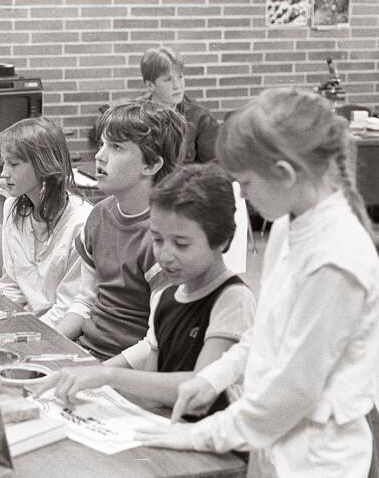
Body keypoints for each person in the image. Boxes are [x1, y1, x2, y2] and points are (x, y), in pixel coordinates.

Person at [138, 88, 379, 478]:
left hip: (319, 458)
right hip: (274, 442)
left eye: (247, 184)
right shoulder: (290, 225)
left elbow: (295, 391)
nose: (242, 195)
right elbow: (267, 330)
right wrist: (213, 378)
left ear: (284, 175)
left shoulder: (336, 259)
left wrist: (200, 435)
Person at [32, 164, 255, 418]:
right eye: (157, 240)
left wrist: (107, 375)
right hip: (165, 425)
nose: (165, 255)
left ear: (222, 240)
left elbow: (199, 390)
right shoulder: (165, 298)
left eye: (181, 244)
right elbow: (151, 388)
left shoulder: (233, 299)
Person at [41, 98, 184, 362]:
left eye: (116, 147)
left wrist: (100, 372)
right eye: (102, 143)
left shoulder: (166, 236)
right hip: (88, 353)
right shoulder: (98, 215)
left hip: (130, 368)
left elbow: (158, 341)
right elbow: (85, 301)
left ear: (151, 165)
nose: (99, 155)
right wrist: (49, 347)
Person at [0, 116, 92, 317]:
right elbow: (10, 285)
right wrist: (5, 322)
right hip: (25, 322)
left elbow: (69, 307)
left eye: (14, 164)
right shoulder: (12, 208)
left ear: (44, 165)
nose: (4, 173)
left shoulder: (81, 222)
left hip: (60, 327)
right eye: (4, 163)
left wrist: (29, 331)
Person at [141, 46, 218, 164]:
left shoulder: (200, 117)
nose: (177, 85)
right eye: (168, 79)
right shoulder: (134, 116)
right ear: (150, 85)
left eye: (180, 77)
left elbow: (212, 166)